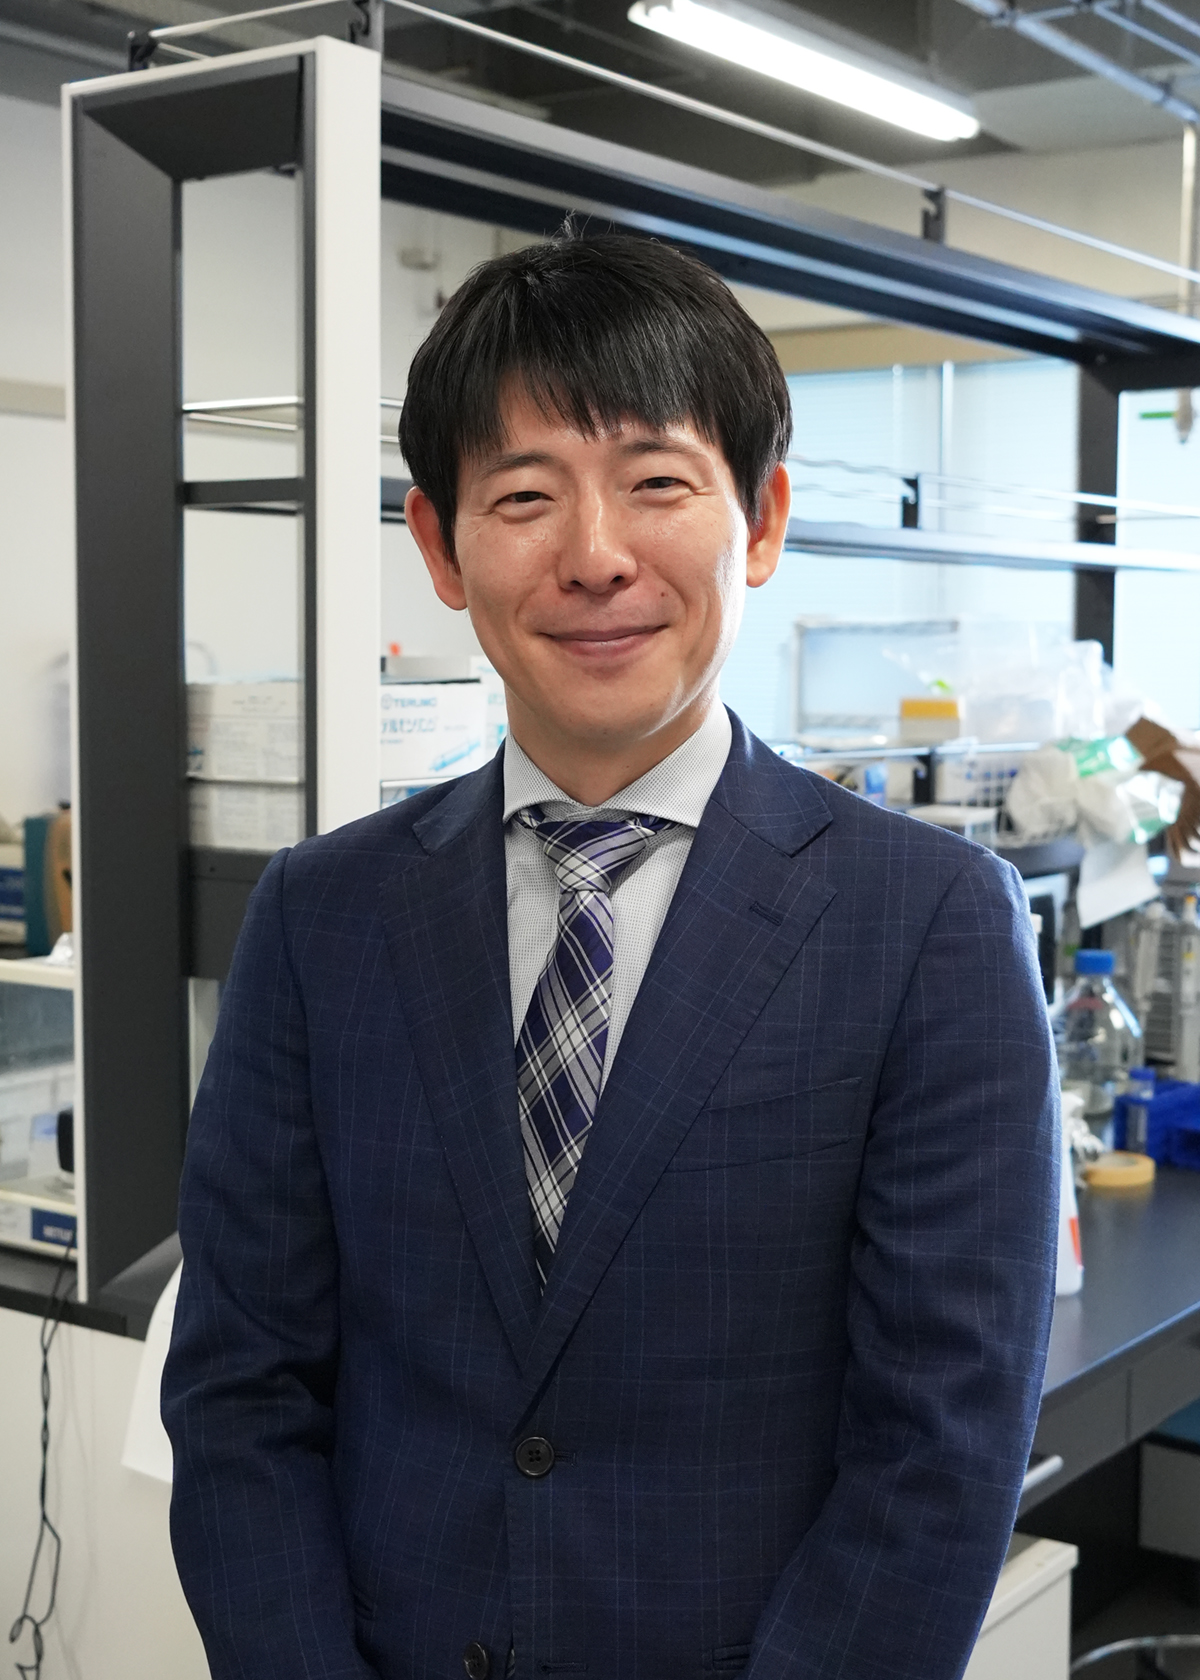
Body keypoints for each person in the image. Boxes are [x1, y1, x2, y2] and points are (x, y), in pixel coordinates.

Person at [162, 232, 1058, 1680]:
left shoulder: (930, 922)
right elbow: (241, 1387)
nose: (594, 556)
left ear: (760, 521)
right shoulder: (323, 917)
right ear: (440, 546)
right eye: (524, 495)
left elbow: (941, 1445)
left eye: (657, 482)